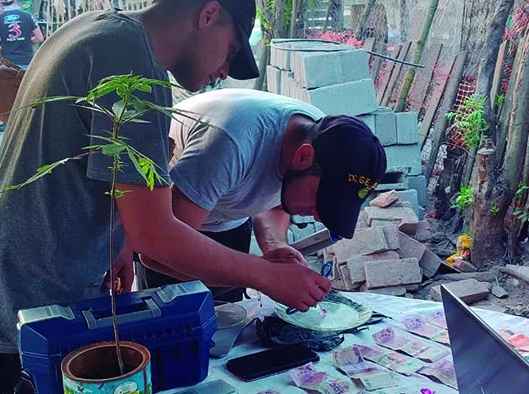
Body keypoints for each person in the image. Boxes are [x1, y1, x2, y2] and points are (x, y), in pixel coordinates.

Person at [0, 0, 332, 394]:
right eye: (230, 52)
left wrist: (118, 243)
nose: (222, 73)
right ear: (208, 14)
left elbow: (99, 177)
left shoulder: (93, 28)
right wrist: (264, 274)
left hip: (11, 285)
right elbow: (159, 239)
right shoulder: (132, 65)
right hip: (23, 307)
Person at [127, 88, 387, 301]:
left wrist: (274, 247)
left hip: (226, 214)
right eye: (323, 200)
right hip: (171, 221)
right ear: (303, 156)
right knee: (175, 329)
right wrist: (264, 276)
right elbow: (156, 253)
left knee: (227, 326)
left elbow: (276, 195)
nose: (319, 216)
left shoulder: (315, 137)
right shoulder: (229, 143)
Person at [0, 0, 44, 69]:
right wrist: (27, 42)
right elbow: (40, 38)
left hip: (8, 64)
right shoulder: (28, 16)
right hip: (27, 62)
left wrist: (3, 56)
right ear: (15, 1)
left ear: (1, 4)